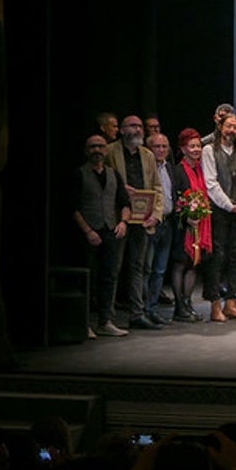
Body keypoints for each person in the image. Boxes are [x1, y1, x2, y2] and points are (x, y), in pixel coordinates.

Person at [106, 114, 165, 331]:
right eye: (133, 125)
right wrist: (121, 190)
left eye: (140, 126)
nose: (138, 129)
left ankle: (136, 313)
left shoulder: (147, 155)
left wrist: (156, 214)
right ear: (122, 130)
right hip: (117, 218)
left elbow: (157, 188)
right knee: (114, 268)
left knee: (138, 267)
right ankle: (107, 317)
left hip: (142, 220)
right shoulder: (111, 152)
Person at [72, 134, 131, 337]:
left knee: (109, 277)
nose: (97, 150)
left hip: (110, 230)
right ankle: (83, 322)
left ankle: (105, 321)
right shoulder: (80, 174)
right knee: (87, 278)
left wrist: (123, 222)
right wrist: (87, 231)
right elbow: (74, 207)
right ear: (86, 151)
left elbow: (124, 202)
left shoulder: (113, 174)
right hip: (88, 231)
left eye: (100, 146)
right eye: (92, 147)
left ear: (106, 150)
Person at [201, 112, 236, 322]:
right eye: (228, 126)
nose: (232, 130)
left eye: (235, 127)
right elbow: (211, 183)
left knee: (235, 256)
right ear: (220, 127)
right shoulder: (209, 150)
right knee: (217, 256)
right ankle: (215, 305)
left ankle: (231, 303)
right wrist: (229, 205)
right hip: (219, 211)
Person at [169, 127, 210, 322]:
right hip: (183, 225)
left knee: (194, 265)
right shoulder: (178, 170)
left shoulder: (201, 169)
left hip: (200, 225)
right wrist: (187, 217)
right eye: (192, 146)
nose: (196, 149)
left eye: (198, 146)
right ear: (183, 149)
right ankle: (179, 307)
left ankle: (187, 303)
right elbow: (176, 197)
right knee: (180, 264)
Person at [144, 132, 175, 327]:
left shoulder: (169, 168)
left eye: (164, 146)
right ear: (148, 149)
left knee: (160, 270)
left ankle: (153, 309)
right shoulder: (146, 169)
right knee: (145, 268)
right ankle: (142, 310)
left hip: (167, 223)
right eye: (157, 147)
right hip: (149, 224)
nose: (161, 150)